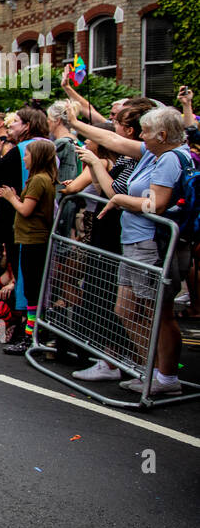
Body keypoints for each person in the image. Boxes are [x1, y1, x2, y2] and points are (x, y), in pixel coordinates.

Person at [71, 106, 192, 396]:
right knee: (126, 310)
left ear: (162, 135)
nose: (142, 136)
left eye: (146, 132)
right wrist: (75, 121)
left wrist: (120, 200)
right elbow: (113, 140)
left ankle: (166, 378)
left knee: (158, 313)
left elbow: (157, 205)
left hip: (150, 243)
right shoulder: (157, 151)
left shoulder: (169, 160)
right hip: (136, 241)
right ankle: (148, 370)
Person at [0, 138, 58, 354]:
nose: (24, 158)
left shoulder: (38, 180)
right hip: (31, 240)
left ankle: (31, 337)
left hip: (34, 240)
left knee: (32, 292)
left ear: (37, 157)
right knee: (32, 290)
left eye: (27, 154)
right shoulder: (43, 179)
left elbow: (25, 210)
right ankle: (33, 335)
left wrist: (11, 198)